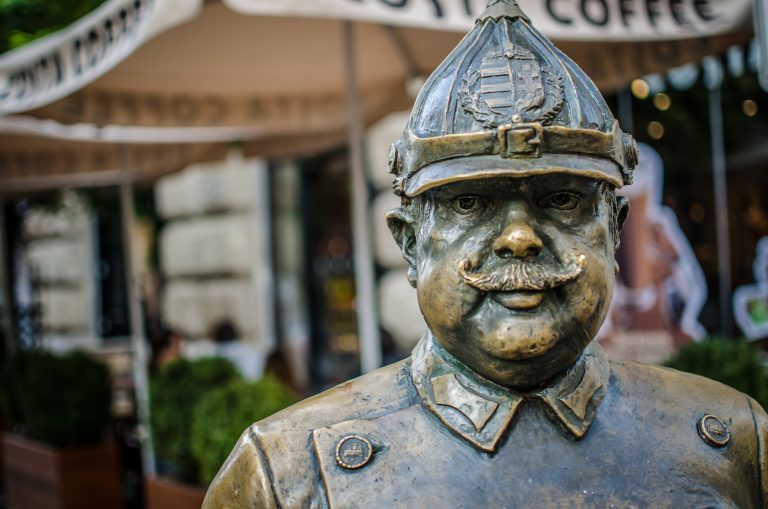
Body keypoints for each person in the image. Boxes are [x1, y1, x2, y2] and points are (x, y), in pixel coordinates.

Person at [203, 1, 767, 507]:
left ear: (614, 229)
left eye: (563, 199)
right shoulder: (285, 473)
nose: (519, 237)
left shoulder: (734, 440)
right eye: (470, 203)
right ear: (409, 244)